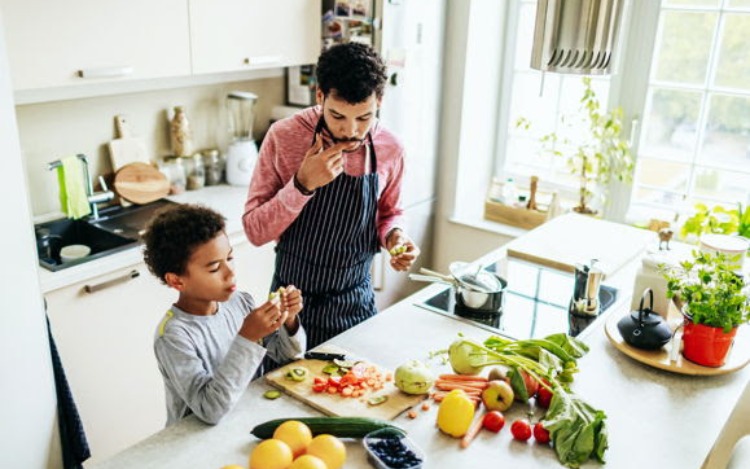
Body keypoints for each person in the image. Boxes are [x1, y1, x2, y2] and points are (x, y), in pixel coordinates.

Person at [243, 42, 419, 349]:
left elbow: (391, 212)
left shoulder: (391, 147)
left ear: (379, 100)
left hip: (355, 305)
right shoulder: (284, 137)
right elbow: (255, 231)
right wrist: (302, 185)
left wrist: (395, 238)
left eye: (364, 118)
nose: (350, 131)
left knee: (356, 392)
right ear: (320, 96)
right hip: (290, 309)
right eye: (338, 116)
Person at [142, 204, 306, 426]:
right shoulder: (173, 336)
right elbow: (210, 409)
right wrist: (247, 337)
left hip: (244, 422)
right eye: (214, 268)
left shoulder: (240, 302)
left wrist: (289, 321)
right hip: (193, 442)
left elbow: (288, 356)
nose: (230, 273)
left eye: (229, 258)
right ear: (176, 280)